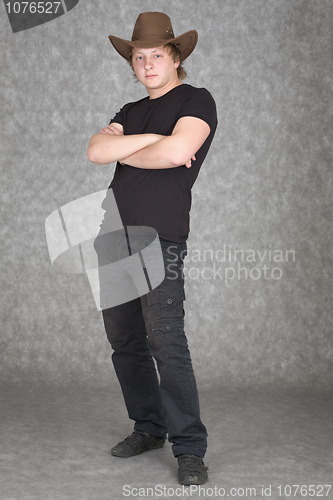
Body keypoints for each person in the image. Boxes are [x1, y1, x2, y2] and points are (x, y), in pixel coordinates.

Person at [87, 12, 217, 486]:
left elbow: (175, 152)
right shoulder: (128, 109)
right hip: (112, 233)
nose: (146, 64)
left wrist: (132, 148)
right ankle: (148, 427)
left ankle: (190, 449)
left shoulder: (197, 101)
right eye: (138, 57)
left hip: (159, 236)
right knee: (125, 340)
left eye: (155, 55)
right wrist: (158, 144)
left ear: (175, 57)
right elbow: (96, 151)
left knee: (166, 339)